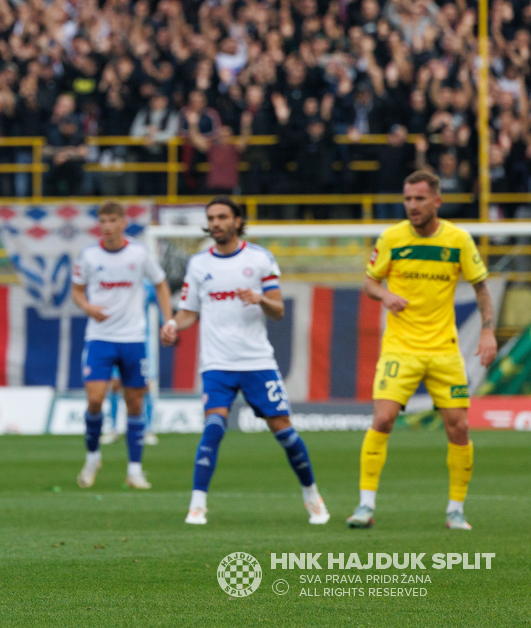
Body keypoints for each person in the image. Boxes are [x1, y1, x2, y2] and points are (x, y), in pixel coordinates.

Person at [161, 197, 329, 526]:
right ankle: (197, 505)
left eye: (223, 216)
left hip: (256, 361)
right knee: (213, 427)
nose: (216, 223)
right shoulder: (198, 265)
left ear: (238, 221)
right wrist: (170, 324)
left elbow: (278, 310)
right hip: (216, 363)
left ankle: (312, 495)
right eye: (211, 217)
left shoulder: (259, 259)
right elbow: (188, 313)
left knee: (283, 431)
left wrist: (260, 299)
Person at [346, 169, 498, 531]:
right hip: (400, 348)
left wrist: (488, 333)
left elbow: (481, 288)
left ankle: (455, 510)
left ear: (436, 201)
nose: (412, 206)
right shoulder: (391, 238)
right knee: (382, 419)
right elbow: (370, 282)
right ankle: (365, 506)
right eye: (407, 199)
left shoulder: (459, 240)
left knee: (458, 427)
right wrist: (385, 295)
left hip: (444, 351)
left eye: (419, 199)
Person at [71, 201, 171, 490]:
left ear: (123, 223)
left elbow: (161, 283)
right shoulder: (89, 256)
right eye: (103, 221)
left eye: (113, 220)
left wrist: (168, 320)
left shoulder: (139, 253)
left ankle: (135, 470)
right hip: (100, 337)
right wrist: (88, 306)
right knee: (94, 399)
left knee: (135, 402)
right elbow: (77, 290)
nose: (107, 226)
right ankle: (92, 457)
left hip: (132, 338)